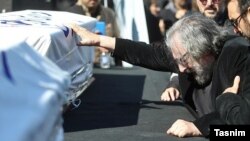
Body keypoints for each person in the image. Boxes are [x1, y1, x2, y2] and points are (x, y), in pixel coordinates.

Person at [68, 13, 250, 137]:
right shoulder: (188, 55)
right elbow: (149, 54)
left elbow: (241, 129)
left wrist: (201, 127)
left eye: (184, 60)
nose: (180, 69)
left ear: (204, 51)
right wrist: (100, 40)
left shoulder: (238, 57)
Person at [161, 0, 233, 102]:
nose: (209, 4)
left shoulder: (237, 26)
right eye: (203, 0)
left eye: (215, 0)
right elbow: (180, 59)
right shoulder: (188, 22)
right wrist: (175, 83)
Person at [67, 0, 122, 67]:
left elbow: (117, 42)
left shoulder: (108, 13)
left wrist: (119, 66)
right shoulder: (70, 14)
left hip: (104, 65)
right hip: (80, 68)